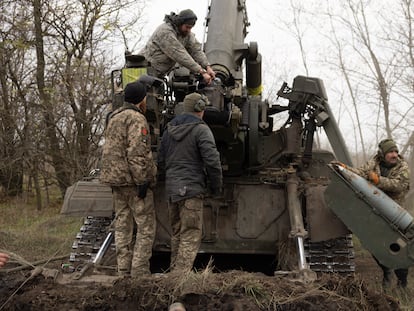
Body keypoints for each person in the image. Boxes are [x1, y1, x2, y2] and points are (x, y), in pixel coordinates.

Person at [158, 92, 222, 273]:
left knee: (177, 234)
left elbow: (161, 161)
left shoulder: (169, 130)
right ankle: (180, 277)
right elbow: (212, 162)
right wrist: (216, 187)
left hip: (172, 191)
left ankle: (173, 272)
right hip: (192, 190)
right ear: (200, 108)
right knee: (190, 234)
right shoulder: (201, 130)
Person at [334, 138, 410, 288]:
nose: (394, 155)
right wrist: (344, 168)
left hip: (395, 215)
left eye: (395, 151)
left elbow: (399, 185)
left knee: (399, 247)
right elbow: (360, 173)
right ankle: (387, 271)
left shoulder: (403, 167)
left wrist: (377, 180)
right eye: (390, 152)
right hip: (376, 213)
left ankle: (402, 281)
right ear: (382, 154)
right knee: (374, 245)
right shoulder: (374, 163)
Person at [100, 81, 157, 278]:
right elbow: (136, 153)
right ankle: (139, 272)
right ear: (141, 99)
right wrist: (142, 181)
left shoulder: (114, 117)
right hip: (132, 182)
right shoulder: (137, 119)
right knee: (146, 226)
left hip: (115, 181)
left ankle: (122, 270)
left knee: (122, 225)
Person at [140, 9, 215, 84]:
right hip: (144, 71)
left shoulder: (186, 35)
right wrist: (201, 71)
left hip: (158, 74)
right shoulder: (165, 32)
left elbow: (196, 50)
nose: (189, 30)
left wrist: (207, 66)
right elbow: (179, 54)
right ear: (180, 23)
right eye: (187, 27)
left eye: (191, 28)